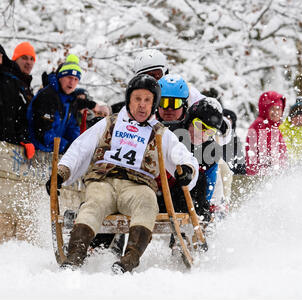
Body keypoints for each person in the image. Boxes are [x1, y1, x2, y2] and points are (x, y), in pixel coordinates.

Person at [46, 74, 199, 272]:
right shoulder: (110, 123)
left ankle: (129, 259)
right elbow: (80, 148)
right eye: (137, 99)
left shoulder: (159, 131)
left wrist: (187, 170)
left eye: (147, 101)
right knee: (93, 204)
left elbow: (184, 156)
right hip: (104, 181)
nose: (142, 106)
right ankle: (75, 254)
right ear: (129, 100)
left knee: (147, 202)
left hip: (138, 186)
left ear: (154, 105)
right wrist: (61, 173)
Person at [111, 49, 205, 114]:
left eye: (156, 75)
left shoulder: (185, 92)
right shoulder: (136, 103)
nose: (151, 81)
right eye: (145, 76)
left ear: (165, 73)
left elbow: (206, 108)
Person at [27, 54, 83, 153]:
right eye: (69, 77)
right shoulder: (47, 96)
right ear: (61, 77)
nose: (72, 82)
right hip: (36, 152)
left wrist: (77, 147)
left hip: (55, 154)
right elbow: (43, 132)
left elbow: (73, 129)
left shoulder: (71, 101)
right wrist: (66, 147)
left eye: (76, 79)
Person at [0, 43, 36, 159]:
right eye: (24, 58)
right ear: (15, 59)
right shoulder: (8, 80)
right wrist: (20, 138)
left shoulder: (25, 86)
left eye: (32, 59)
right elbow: (10, 114)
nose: (29, 62)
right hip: (7, 144)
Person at [245, 91, 287, 176]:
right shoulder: (259, 126)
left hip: (275, 177)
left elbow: (281, 154)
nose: (276, 112)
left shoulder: (275, 127)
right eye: (272, 108)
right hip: (262, 178)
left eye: (278, 109)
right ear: (265, 109)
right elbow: (255, 157)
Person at [279, 97, 302, 164]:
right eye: (296, 115)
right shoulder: (284, 129)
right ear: (290, 117)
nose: (299, 118)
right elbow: (288, 153)